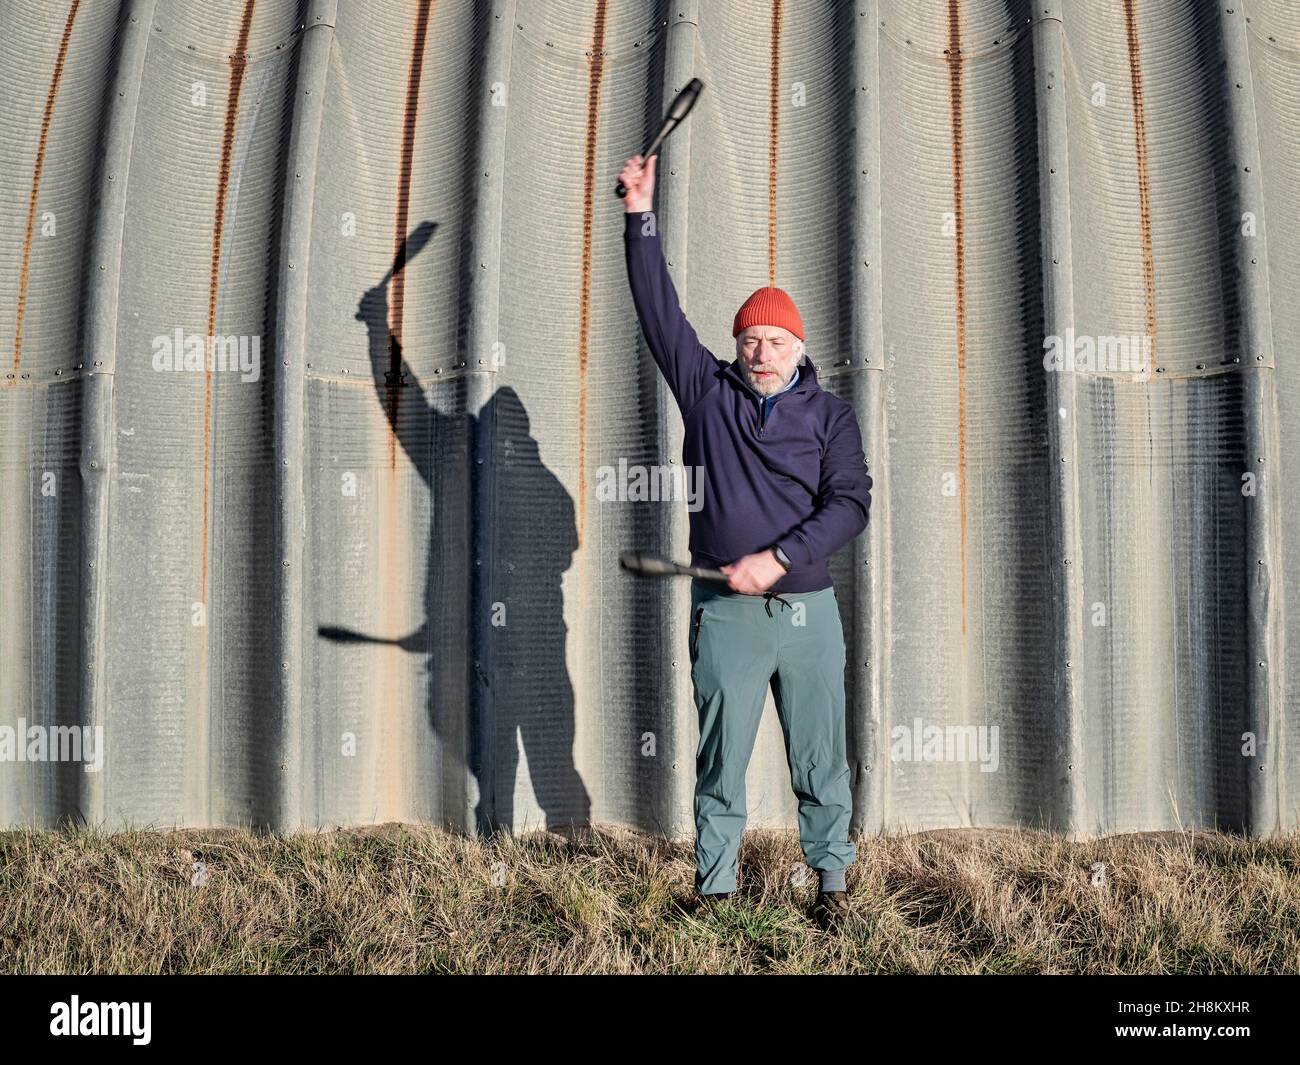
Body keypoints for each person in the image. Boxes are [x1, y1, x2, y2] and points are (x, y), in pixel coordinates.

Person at [618, 153, 872, 931]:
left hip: (807, 612)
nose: (761, 350)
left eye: (775, 339)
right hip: (724, 612)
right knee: (719, 761)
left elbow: (852, 504)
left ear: (799, 349)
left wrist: (780, 558)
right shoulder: (707, 394)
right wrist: (640, 215)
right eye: (750, 339)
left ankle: (830, 890)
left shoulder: (829, 418)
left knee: (821, 758)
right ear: (736, 349)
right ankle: (717, 894)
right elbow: (659, 310)